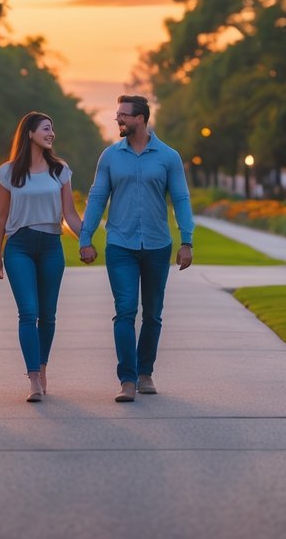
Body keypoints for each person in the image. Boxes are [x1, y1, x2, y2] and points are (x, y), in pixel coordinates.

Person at [79, 95, 194, 402]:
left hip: (157, 245)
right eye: (117, 115)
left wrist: (187, 240)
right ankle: (127, 380)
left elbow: (181, 199)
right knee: (126, 311)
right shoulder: (110, 156)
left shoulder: (168, 157)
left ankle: (146, 374)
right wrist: (85, 237)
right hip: (121, 244)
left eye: (124, 116)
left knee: (153, 314)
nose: (118, 120)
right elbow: (97, 198)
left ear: (140, 118)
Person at [0, 111, 86, 402]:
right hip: (19, 247)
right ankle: (33, 378)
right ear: (30, 133)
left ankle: (43, 369)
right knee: (28, 312)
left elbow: (69, 214)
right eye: (46, 128)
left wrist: (87, 239)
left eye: (52, 128)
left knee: (48, 315)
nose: (51, 133)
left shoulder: (60, 170)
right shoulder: (9, 172)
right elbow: (1, 216)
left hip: (51, 247)